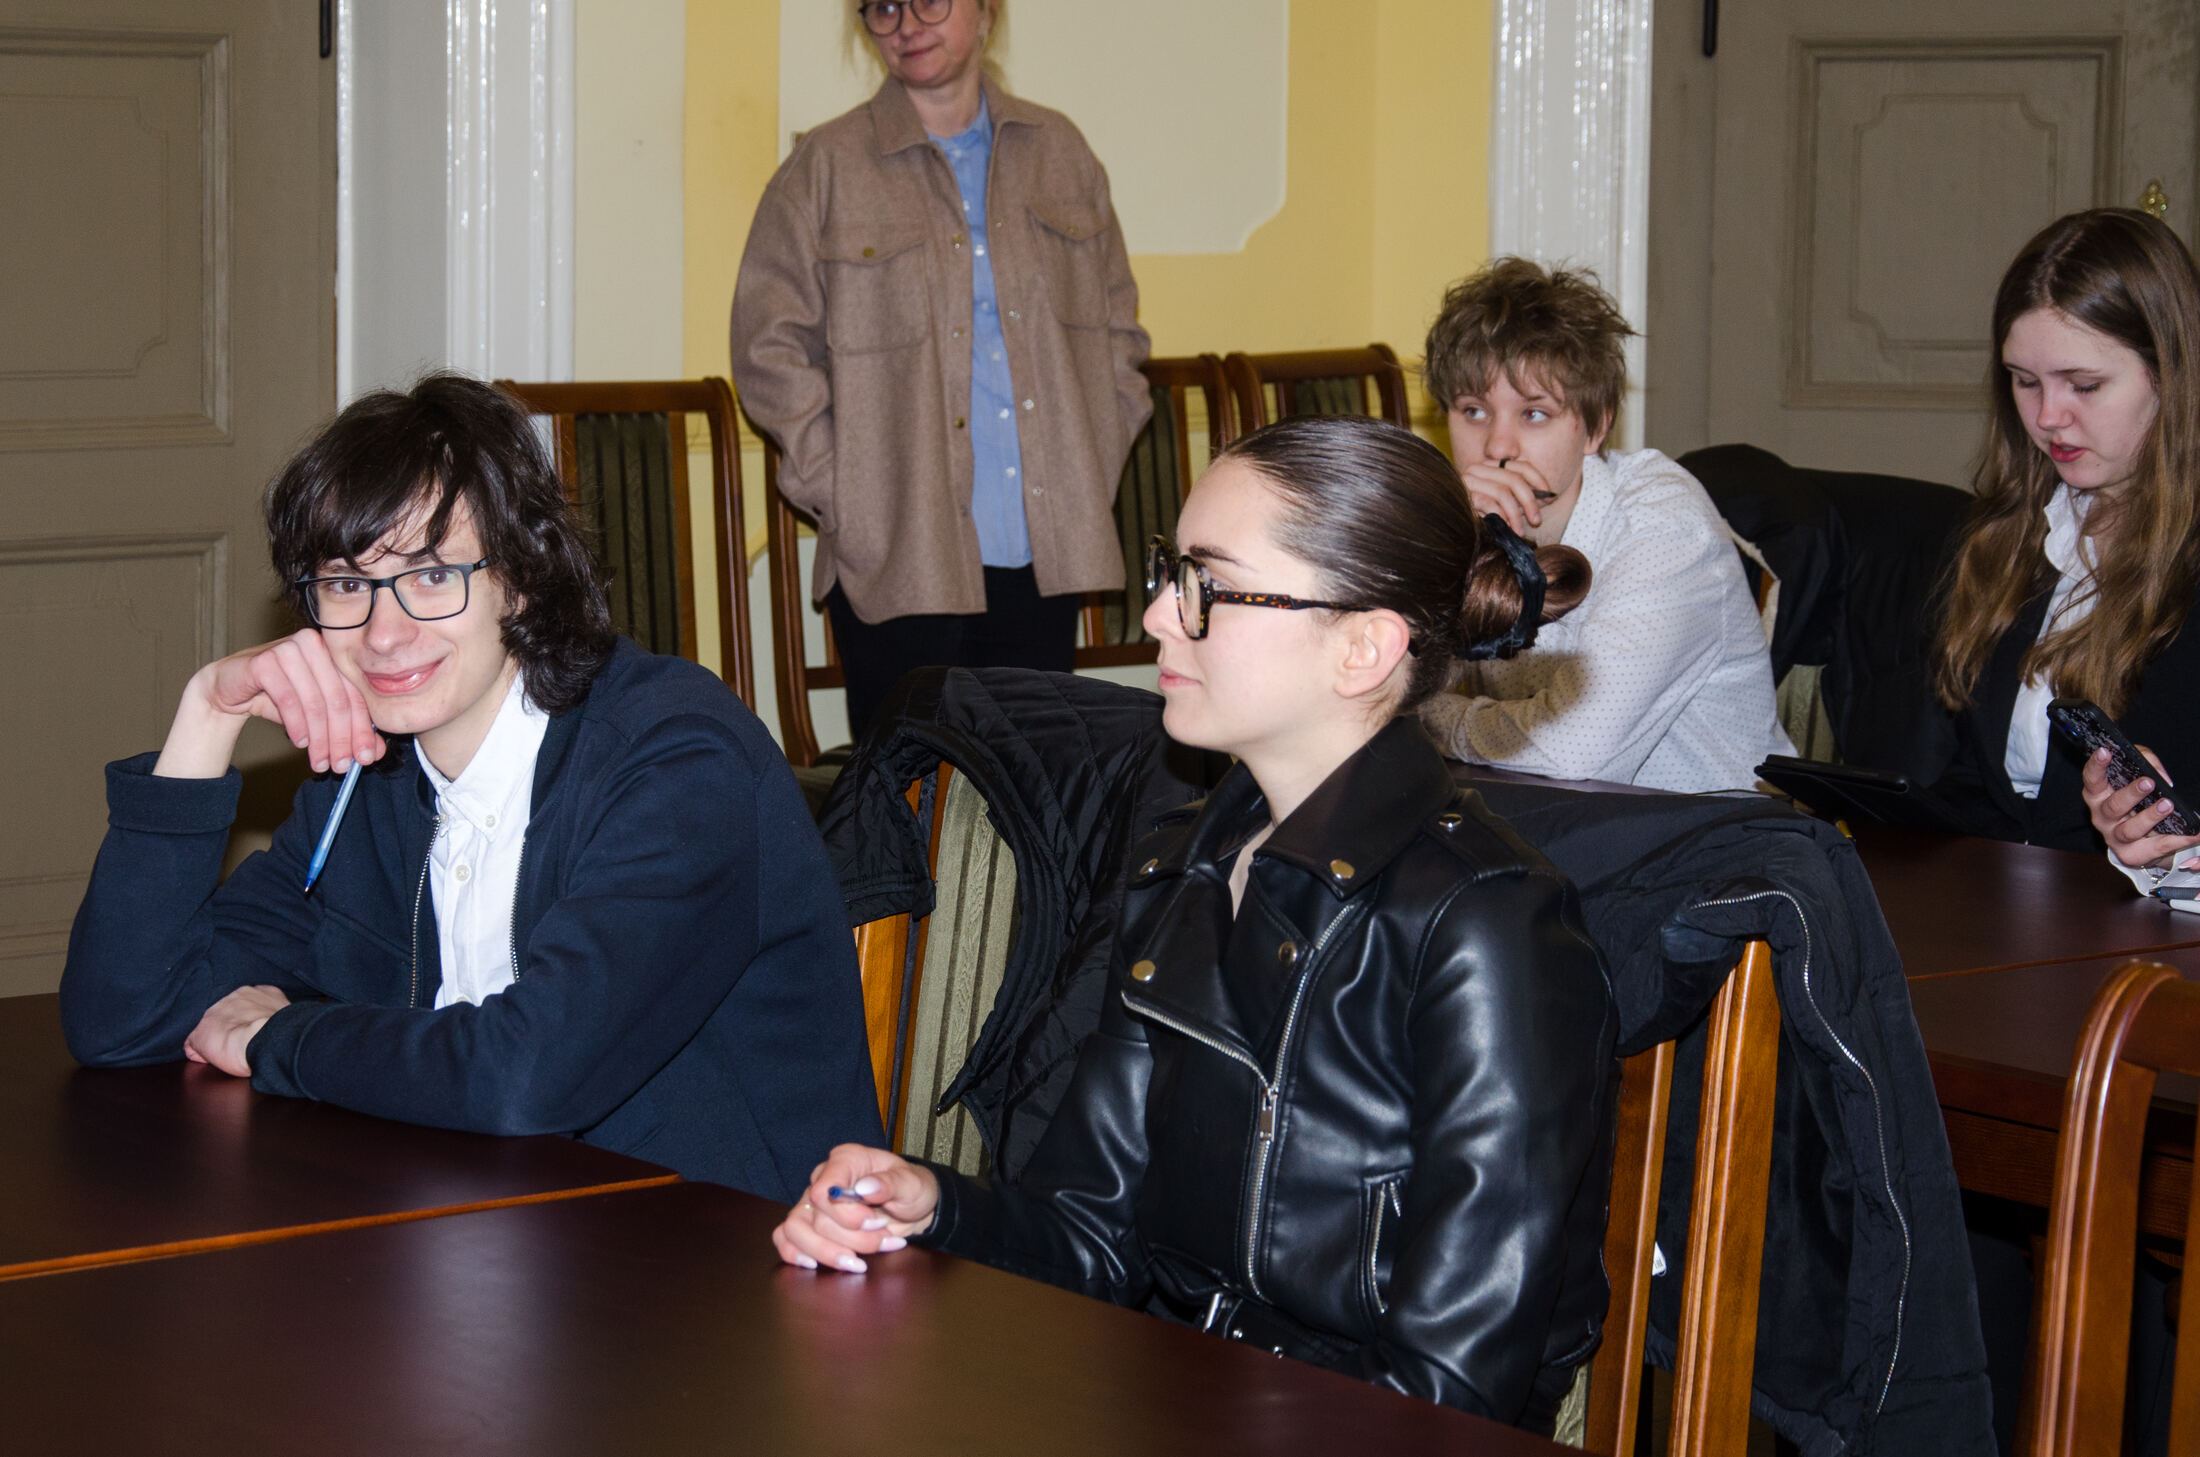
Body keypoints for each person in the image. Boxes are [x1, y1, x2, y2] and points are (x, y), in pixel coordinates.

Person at [771, 414, 1617, 1436]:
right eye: (1173, 571)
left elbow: (1446, 1396)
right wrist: (933, 1205)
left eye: (1208, 585)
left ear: (1362, 646)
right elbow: (1088, 1234)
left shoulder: (1488, 926)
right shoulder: (1183, 861)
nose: (1160, 613)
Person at [59, 373, 882, 1202]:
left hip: (731, 1251)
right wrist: (207, 714)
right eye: (346, 583)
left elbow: (526, 1074)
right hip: (490, 1227)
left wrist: (284, 1036)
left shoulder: (677, 763)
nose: (384, 632)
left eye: (431, 575)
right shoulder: (369, 782)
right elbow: (126, 1019)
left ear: (518, 578)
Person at [731, 0, 1151, 741]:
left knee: (1032, 790)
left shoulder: (1060, 154)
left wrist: (1092, 463)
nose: (906, 24)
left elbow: (1119, 334)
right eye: (883, 8)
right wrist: (847, 493)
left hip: (1040, 554)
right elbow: (767, 350)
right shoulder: (825, 168)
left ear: (987, 11)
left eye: (929, 1)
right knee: (909, 791)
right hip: (899, 556)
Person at [1414, 258, 1790, 792]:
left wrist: (1429, 718)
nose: (1497, 446)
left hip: (1708, 829)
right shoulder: (1469, 519)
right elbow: (1379, 677)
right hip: (1548, 817)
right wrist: (1443, 542)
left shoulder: (1663, 526)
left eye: (1534, 413)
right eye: (1473, 411)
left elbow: (1575, 750)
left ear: (1595, 427)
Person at [1927, 208, 2200, 876]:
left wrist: (2163, 852)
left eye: (2084, 385)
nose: (2048, 417)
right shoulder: (2013, 535)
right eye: (2025, 381)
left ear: (2171, 374)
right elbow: (1988, 793)